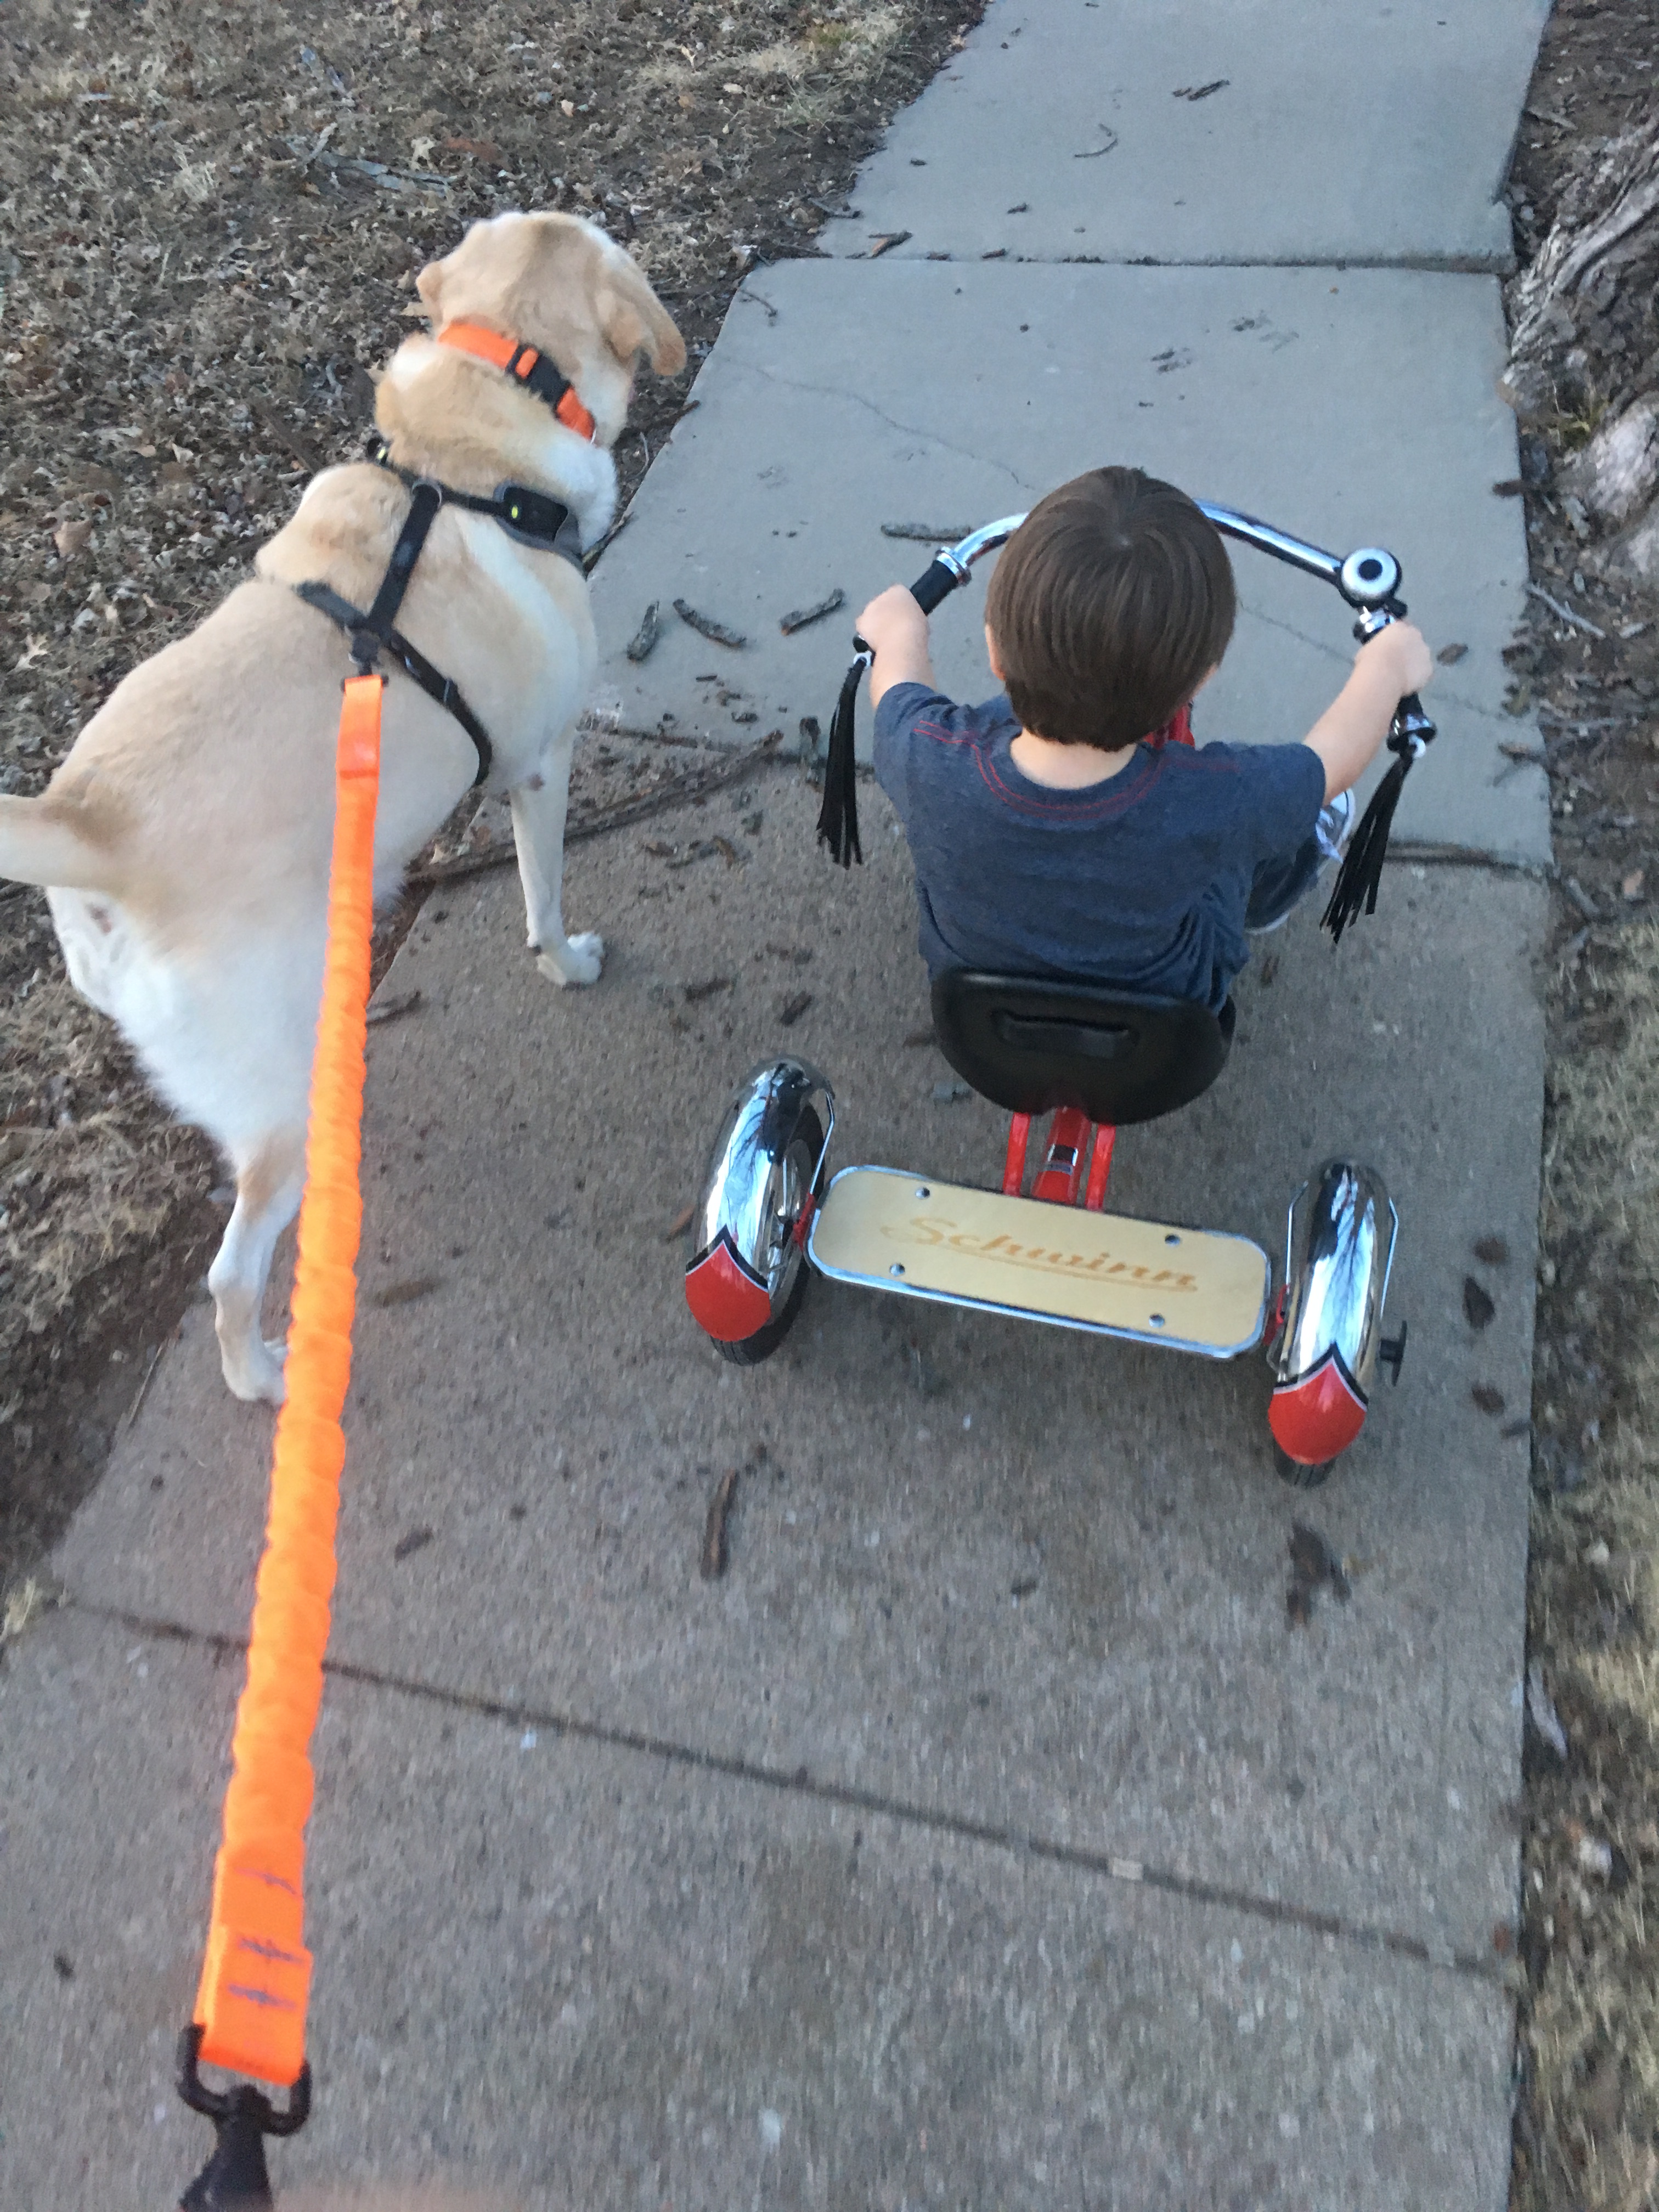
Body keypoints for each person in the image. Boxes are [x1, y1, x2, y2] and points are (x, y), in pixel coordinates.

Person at [858, 465, 1435, 1012]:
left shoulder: (925, 756)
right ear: (1202, 678)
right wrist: (1385, 668)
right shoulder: (1218, 797)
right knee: (1271, 828)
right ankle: (1269, 895)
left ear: (993, 652)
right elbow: (1333, 763)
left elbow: (896, 687)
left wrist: (902, 629)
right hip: (1166, 1022)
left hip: (982, 1015)